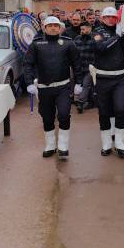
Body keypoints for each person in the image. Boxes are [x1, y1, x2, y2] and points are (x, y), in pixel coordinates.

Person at [23, 16, 83, 159]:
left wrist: (79, 83)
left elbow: (77, 64)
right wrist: (29, 82)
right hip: (44, 88)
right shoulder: (36, 44)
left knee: (63, 114)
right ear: (44, 28)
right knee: (47, 117)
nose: (53, 28)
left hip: (63, 87)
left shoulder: (68, 44)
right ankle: (50, 145)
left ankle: (63, 146)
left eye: (56, 25)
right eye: (50, 26)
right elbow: (28, 64)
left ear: (60, 28)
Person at [92, 7, 124, 157]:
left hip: (120, 78)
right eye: (107, 17)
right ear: (102, 18)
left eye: (113, 17)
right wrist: (116, 37)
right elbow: (101, 48)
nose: (110, 19)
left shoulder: (123, 33)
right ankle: (106, 143)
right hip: (103, 78)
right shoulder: (97, 32)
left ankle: (120, 142)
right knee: (104, 112)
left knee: (121, 108)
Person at [73, 21, 96, 113]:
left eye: (83, 29)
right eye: (81, 29)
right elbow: (73, 51)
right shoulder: (77, 39)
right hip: (79, 67)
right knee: (82, 85)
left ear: (89, 28)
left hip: (90, 67)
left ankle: (80, 103)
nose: (81, 31)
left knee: (86, 84)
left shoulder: (95, 38)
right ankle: (91, 101)